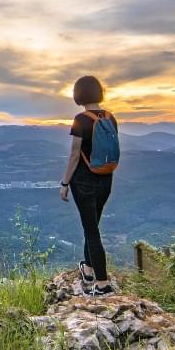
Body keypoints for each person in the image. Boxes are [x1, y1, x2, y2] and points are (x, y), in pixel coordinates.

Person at [58, 75, 117, 297]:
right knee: (91, 226)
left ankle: (102, 284)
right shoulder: (110, 118)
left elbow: (75, 155)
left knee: (91, 231)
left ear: (79, 94)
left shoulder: (81, 119)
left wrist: (64, 183)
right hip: (105, 179)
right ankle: (88, 269)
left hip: (84, 182)